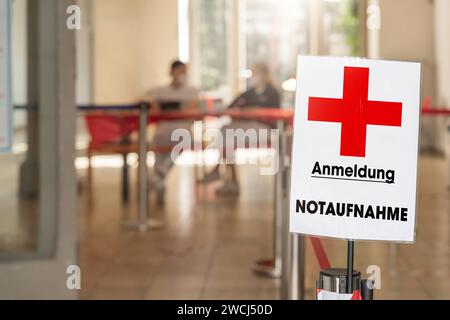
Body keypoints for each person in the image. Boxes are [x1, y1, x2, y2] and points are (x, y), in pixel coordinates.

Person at [199, 63, 281, 195]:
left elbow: (274, 114)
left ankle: (220, 172)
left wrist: (254, 111)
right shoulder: (248, 93)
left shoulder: (272, 92)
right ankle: (230, 180)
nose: (253, 76)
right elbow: (230, 107)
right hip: (245, 128)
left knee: (227, 133)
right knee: (227, 134)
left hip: (264, 129)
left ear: (264, 75)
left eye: (256, 73)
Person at [147, 60, 200, 203]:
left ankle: (158, 176)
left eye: (184, 72)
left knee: (181, 141)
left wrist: (183, 108)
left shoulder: (192, 91)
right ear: (171, 72)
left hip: (182, 128)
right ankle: (159, 179)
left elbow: (195, 109)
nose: (182, 75)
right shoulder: (160, 91)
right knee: (158, 144)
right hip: (164, 128)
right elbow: (153, 108)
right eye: (180, 71)